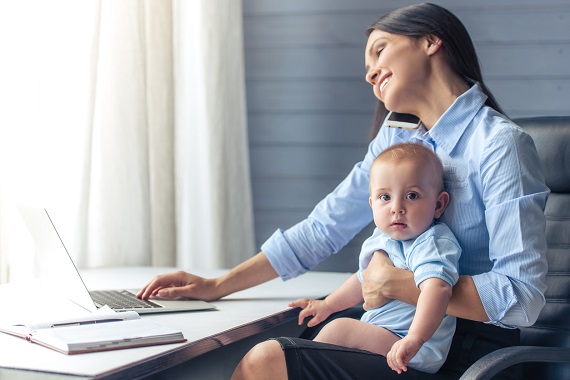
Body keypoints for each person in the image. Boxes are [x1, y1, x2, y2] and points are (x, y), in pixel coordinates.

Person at [138, 3, 549, 378]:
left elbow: (523, 297)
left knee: (267, 360)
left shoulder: (499, 145)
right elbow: (324, 227)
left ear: (430, 41)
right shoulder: (397, 139)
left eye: (380, 50)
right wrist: (217, 285)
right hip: (391, 328)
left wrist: (393, 284)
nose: (370, 71)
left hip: (461, 352)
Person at [289, 142, 461, 374]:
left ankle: (304, 370)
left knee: (339, 330)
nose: (396, 208)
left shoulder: (433, 242)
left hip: (415, 347)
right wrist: (327, 304)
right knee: (330, 332)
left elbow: (437, 290)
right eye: (385, 197)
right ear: (372, 204)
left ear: (438, 204)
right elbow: (362, 280)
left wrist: (415, 338)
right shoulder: (380, 238)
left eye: (412, 195)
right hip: (384, 335)